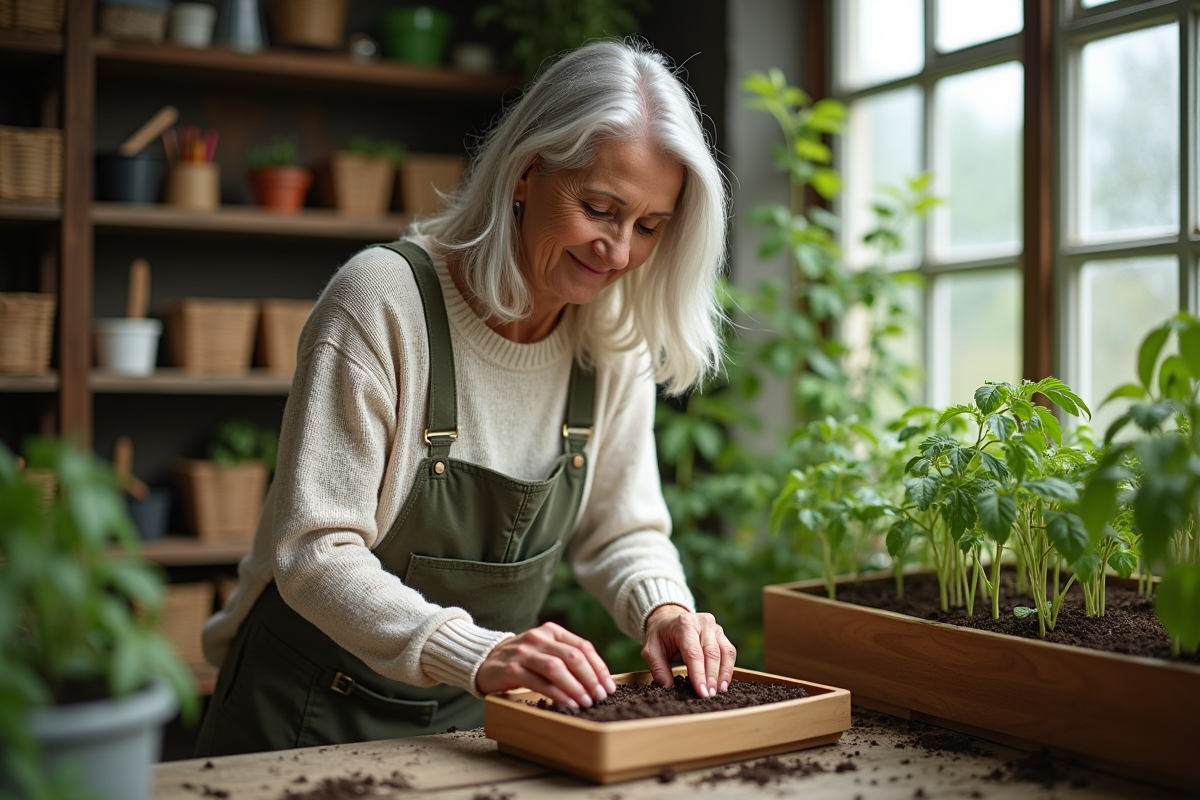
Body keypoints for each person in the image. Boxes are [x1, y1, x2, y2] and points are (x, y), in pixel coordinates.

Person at [194, 39, 735, 756]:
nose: (620, 251)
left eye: (649, 227)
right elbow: (314, 551)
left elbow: (620, 531)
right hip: (299, 713)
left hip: (472, 727)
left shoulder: (611, 338)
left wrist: (664, 606)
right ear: (527, 172)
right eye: (600, 208)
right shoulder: (382, 304)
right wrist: (474, 652)